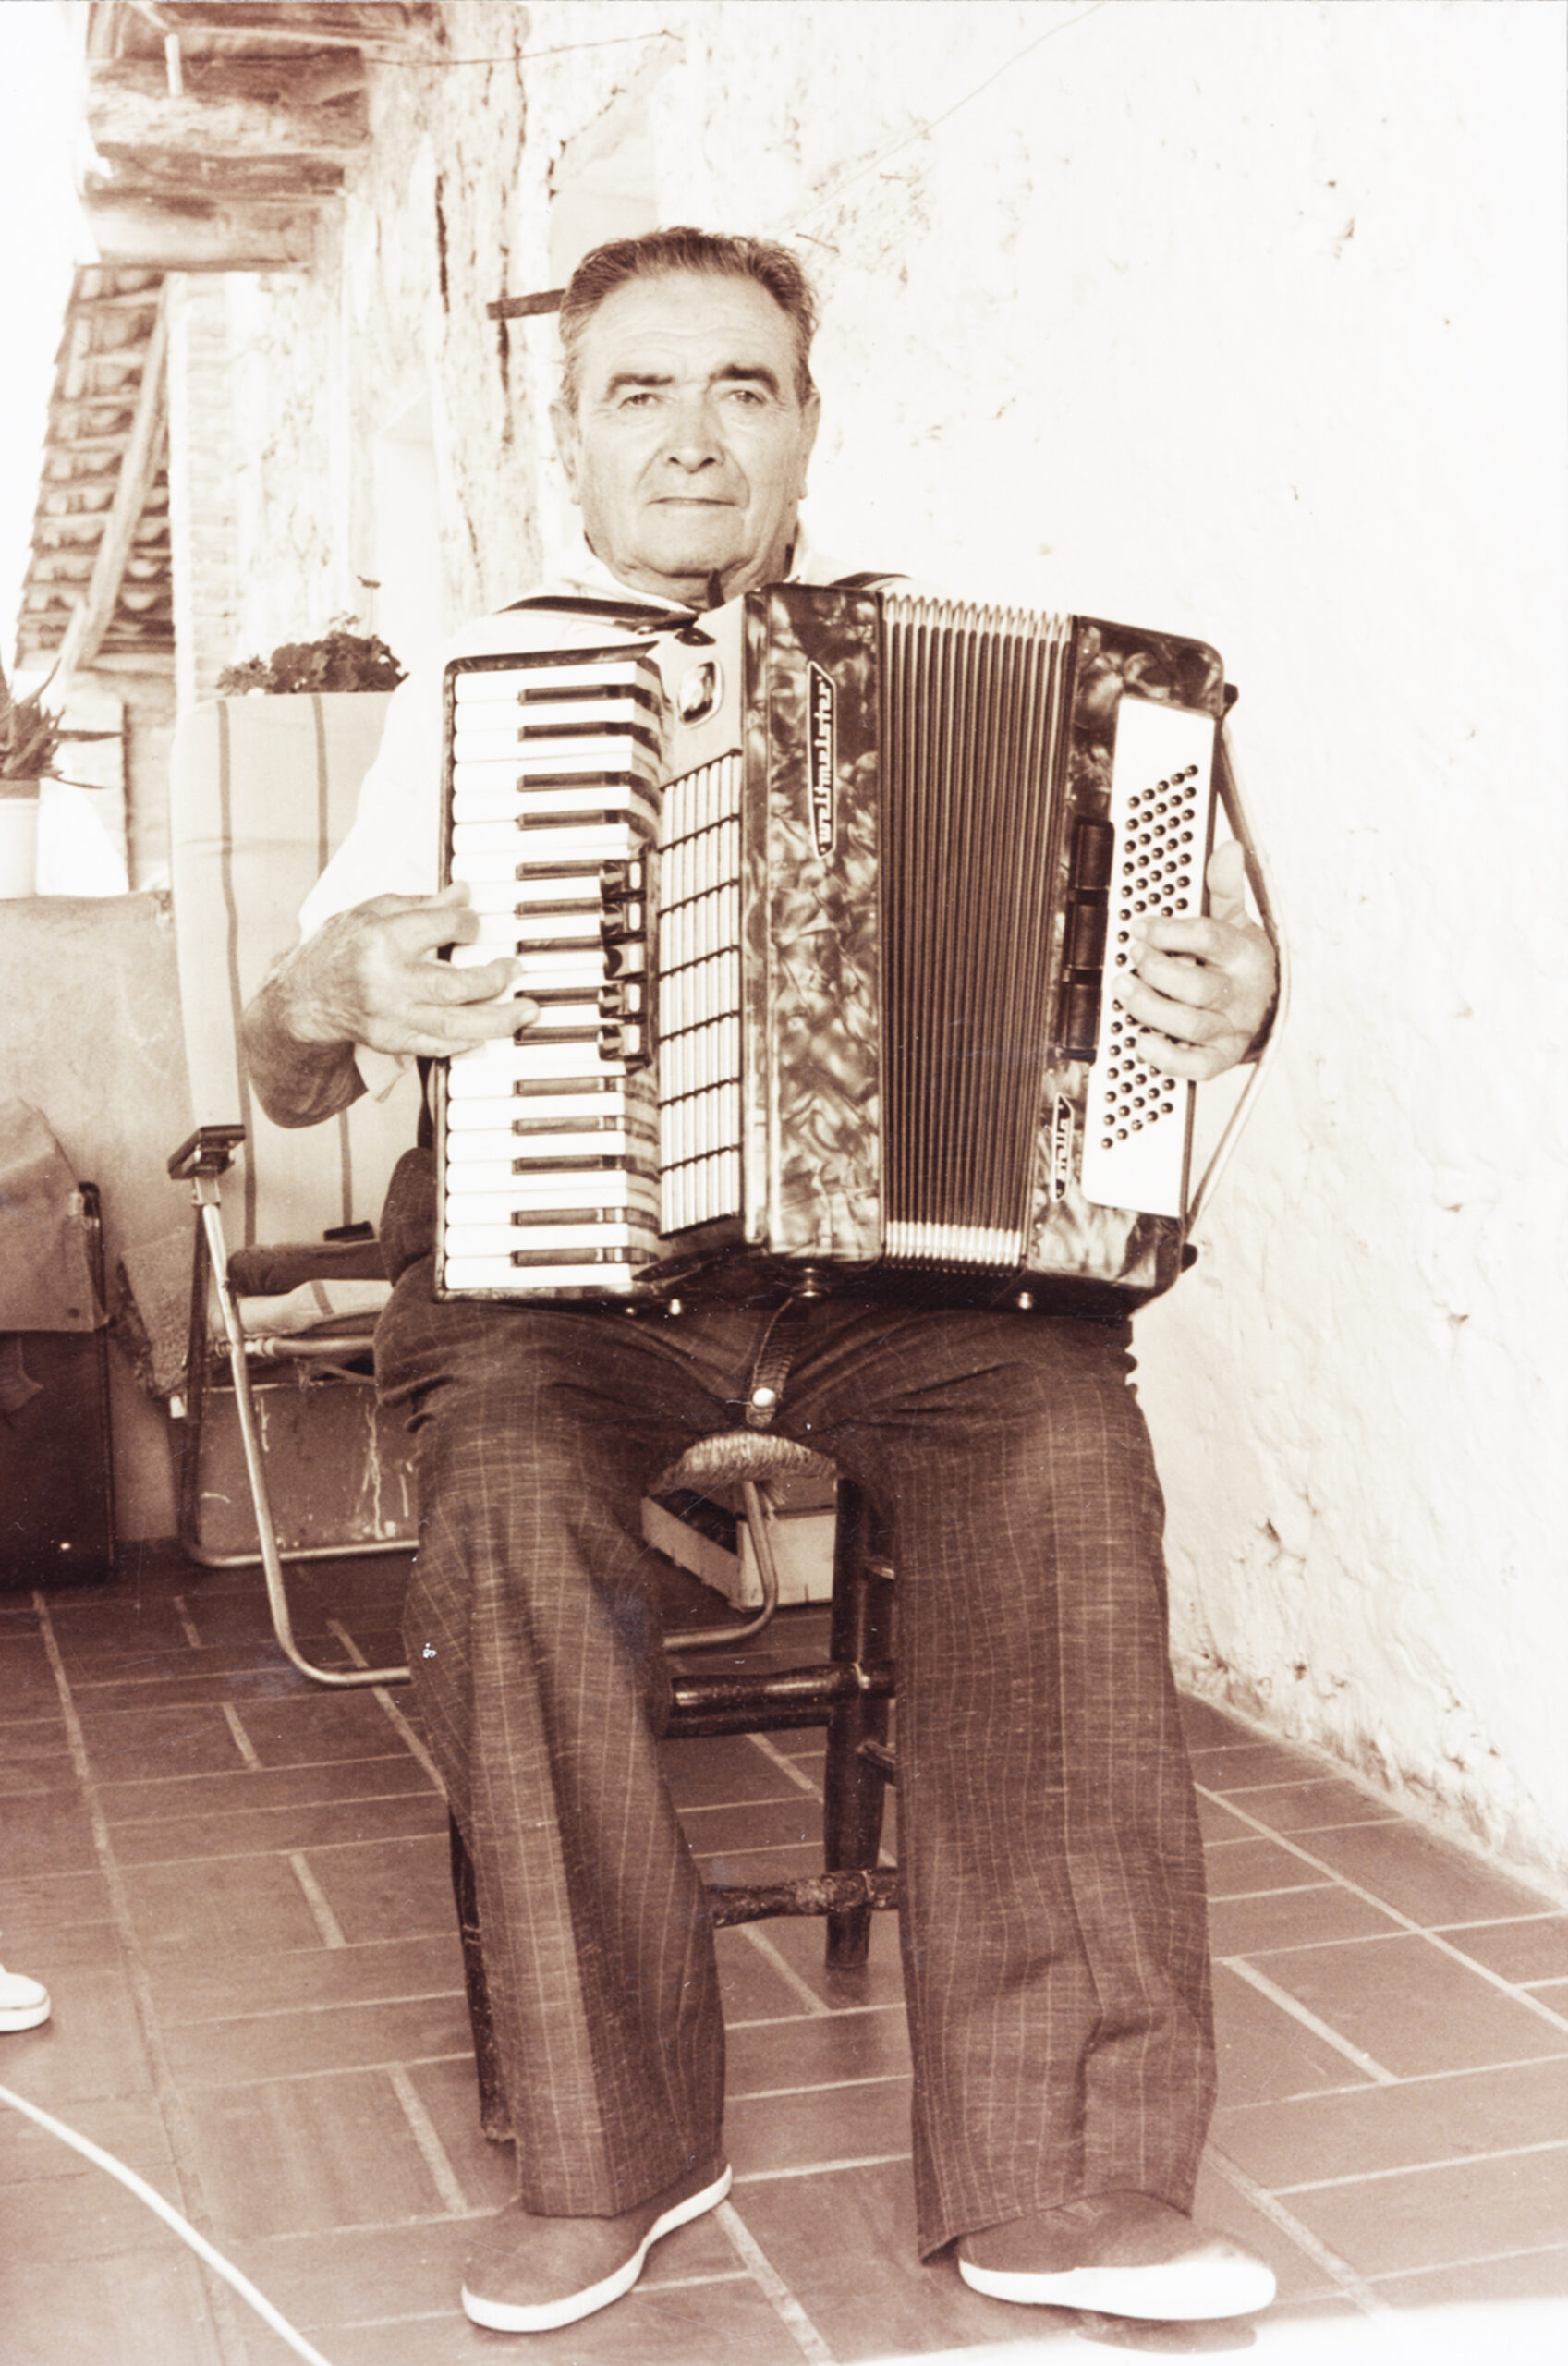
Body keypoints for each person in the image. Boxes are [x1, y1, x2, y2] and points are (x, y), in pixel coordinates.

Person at [241, 229, 1278, 2336]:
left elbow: (1177, 994)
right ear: (575, 441)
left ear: (809, 426)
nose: (695, 434)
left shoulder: (995, 679)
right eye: (642, 392)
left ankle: (1063, 2177)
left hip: (909, 1286)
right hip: (567, 1284)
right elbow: (282, 1055)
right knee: (514, 1494)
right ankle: (615, 2146)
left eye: (743, 386)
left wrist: (1229, 995)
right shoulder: (474, 687)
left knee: (1069, 1458)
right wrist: (345, 981)